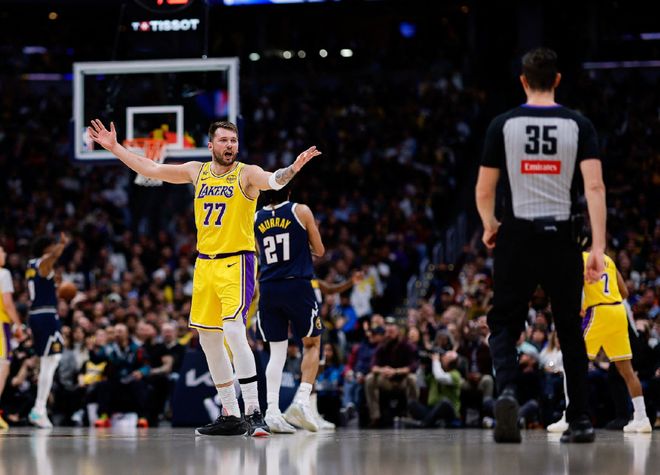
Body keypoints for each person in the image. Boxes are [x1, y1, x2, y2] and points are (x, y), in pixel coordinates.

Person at [88, 118, 321, 437]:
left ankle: (254, 412)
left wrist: (292, 168)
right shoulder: (196, 171)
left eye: (233, 141)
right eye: (223, 140)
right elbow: (151, 168)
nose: (230, 146)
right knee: (208, 339)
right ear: (211, 145)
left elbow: (273, 181)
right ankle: (231, 413)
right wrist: (115, 148)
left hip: (236, 261)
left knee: (234, 331)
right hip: (205, 264)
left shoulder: (246, 173)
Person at [475, 47, 605, 443]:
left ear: (523, 81)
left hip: (516, 234)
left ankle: (507, 392)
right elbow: (594, 188)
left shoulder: (503, 124)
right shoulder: (579, 124)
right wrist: (598, 247)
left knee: (503, 323)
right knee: (569, 327)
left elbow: (485, 190)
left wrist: (490, 224)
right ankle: (580, 419)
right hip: (562, 236)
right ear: (558, 80)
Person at [549, 252, 652, 433]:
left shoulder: (577, 258)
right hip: (618, 312)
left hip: (598, 311)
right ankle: (642, 418)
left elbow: (571, 291)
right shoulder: (608, 259)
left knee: (572, 362)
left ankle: (569, 416)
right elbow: (624, 292)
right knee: (626, 369)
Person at [254, 188, 325, 433]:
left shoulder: (255, 217)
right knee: (312, 344)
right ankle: (302, 402)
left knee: (276, 351)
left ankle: (272, 412)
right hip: (297, 285)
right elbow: (320, 250)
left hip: (268, 286)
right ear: (290, 190)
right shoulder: (300, 210)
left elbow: (258, 252)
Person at [25, 233, 70, 428]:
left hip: (39, 314)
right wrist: (63, 245)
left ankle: (39, 408)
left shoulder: (32, 265)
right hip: (45, 315)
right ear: (46, 248)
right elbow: (50, 259)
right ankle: (39, 409)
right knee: (50, 360)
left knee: (50, 360)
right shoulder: (42, 262)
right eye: (53, 246)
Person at [0, 246, 25, 429]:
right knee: (3, 367)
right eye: (1, 252)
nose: (5, 254)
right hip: (1, 324)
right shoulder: (3, 273)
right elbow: (7, 303)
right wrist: (18, 325)